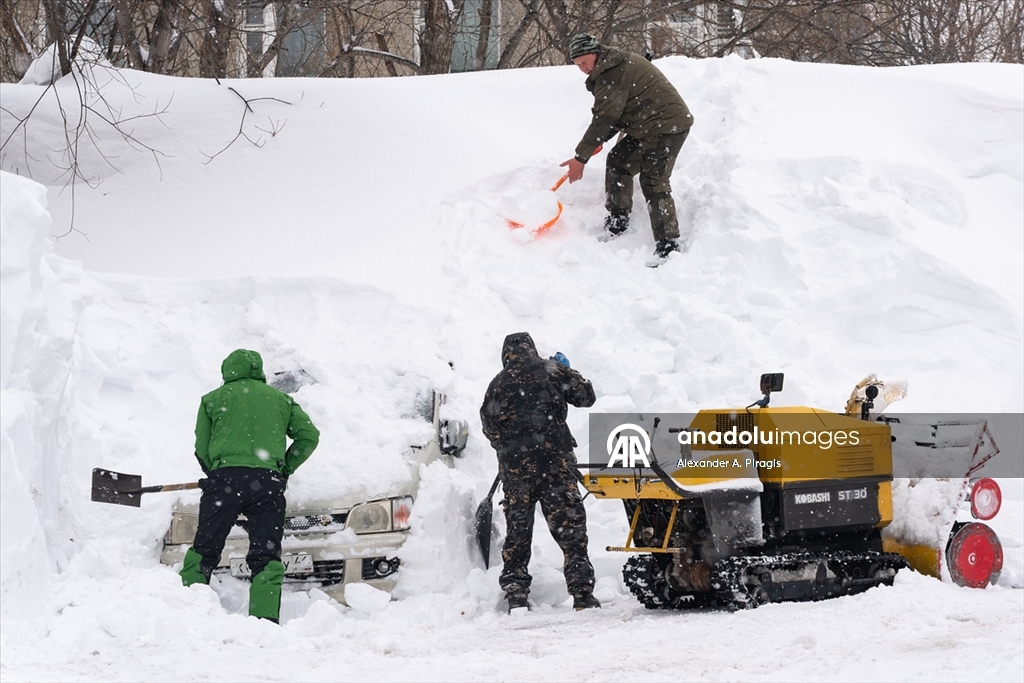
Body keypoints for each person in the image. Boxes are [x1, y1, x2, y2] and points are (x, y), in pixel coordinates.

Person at [179, 348, 320, 623]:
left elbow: (201, 446)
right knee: (266, 554)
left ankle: (188, 615)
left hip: (225, 483)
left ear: (227, 371)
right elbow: (309, 437)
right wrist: (283, 469)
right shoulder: (282, 400)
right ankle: (264, 620)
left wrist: (217, 473)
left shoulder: (212, 399)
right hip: (268, 485)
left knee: (205, 549)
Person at [480, 332, 599, 613]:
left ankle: (516, 593)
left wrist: (511, 448)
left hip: (517, 470)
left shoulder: (497, 383)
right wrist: (569, 370)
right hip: (555, 463)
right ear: (531, 349)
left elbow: (489, 427)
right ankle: (582, 594)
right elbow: (586, 397)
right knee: (570, 529)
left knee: (518, 531)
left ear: (506, 354)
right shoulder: (551, 369)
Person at [560, 33, 695, 261]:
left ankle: (668, 243)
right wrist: (598, 141)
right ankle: (618, 218)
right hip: (644, 125)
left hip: (667, 126)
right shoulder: (609, 65)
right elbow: (615, 114)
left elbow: (605, 118)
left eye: (585, 61)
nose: (583, 67)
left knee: (654, 180)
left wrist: (580, 158)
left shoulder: (612, 71)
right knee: (618, 162)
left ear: (596, 52)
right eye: (578, 64)